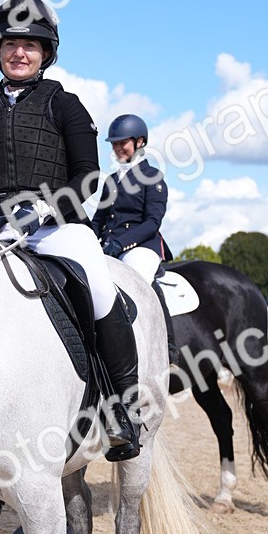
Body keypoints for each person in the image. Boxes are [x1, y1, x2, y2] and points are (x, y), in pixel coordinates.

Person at [0, 0, 140, 461]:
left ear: (45, 52)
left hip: (55, 226)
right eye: (11, 44)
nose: (20, 52)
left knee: (95, 279)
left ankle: (120, 406)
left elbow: (88, 176)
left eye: (30, 45)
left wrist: (44, 211)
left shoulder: (65, 104)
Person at [92, 114, 178, 363]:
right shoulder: (112, 181)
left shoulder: (153, 177)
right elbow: (99, 219)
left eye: (122, 143)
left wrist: (121, 243)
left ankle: (168, 343)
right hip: (111, 245)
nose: (117, 148)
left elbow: (153, 222)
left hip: (141, 245)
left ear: (140, 142)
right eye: (114, 144)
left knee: (137, 279)